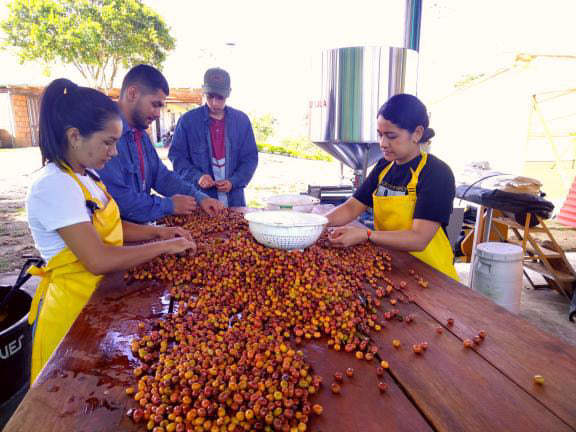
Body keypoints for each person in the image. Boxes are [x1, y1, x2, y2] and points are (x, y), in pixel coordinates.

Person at [26, 78, 196, 382]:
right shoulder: (54, 185)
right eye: (108, 142)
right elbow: (99, 258)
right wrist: (164, 247)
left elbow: (113, 228)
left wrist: (159, 233)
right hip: (71, 318)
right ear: (75, 136)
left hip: (98, 304)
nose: (115, 152)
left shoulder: (86, 175)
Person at [326, 93, 459, 280]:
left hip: (432, 275)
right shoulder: (383, 167)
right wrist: (318, 223)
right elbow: (353, 206)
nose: (383, 144)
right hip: (394, 266)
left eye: (391, 136)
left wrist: (366, 234)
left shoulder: (436, 173)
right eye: (380, 135)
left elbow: (419, 238)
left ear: (417, 133)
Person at [97, 64, 223, 223]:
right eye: (155, 104)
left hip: (142, 230)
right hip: (116, 237)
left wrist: (199, 197)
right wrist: (168, 205)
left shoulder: (140, 134)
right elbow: (119, 200)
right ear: (132, 93)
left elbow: (161, 176)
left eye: (160, 107)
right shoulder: (103, 134)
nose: (157, 114)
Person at [168, 67, 258, 207]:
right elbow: (177, 157)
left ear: (228, 93)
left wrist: (234, 181)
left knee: (237, 228)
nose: (215, 102)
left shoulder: (242, 121)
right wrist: (197, 177)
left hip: (235, 201)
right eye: (210, 96)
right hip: (200, 200)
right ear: (203, 91)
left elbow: (250, 159)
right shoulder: (187, 121)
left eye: (220, 97)